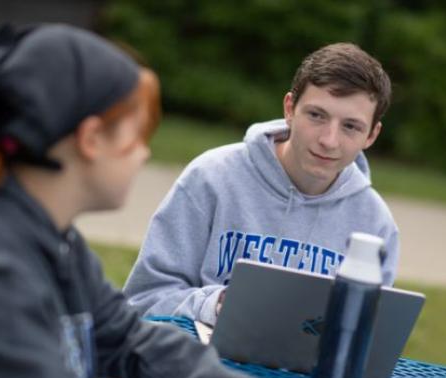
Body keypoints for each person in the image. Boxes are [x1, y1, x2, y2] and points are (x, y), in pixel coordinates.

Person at [0, 23, 321, 378]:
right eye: (138, 136)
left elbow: (134, 343)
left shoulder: (57, 242)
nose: (145, 154)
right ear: (91, 139)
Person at [124, 43, 399, 326]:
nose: (329, 140)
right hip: (199, 361)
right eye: (317, 115)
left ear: (371, 135)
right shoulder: (211, 177)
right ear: (290, 108)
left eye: (350, 126)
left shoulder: (375, 224)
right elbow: (143, 299)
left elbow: (370, 335)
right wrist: (215, 305)